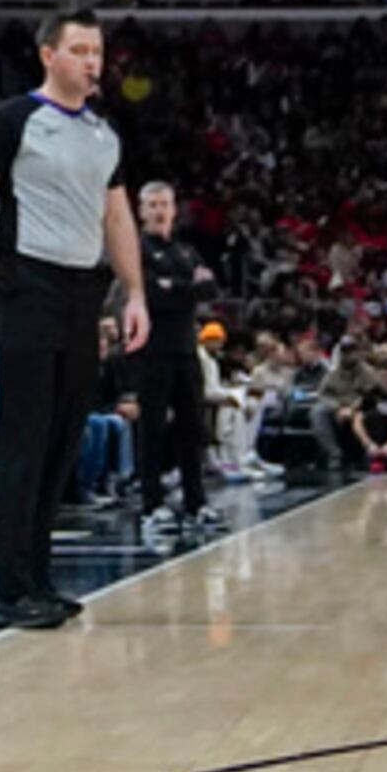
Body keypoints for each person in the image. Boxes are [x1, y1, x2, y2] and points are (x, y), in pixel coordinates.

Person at [0, 10, 148, 631]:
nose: (92, 62)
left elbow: (118, 219)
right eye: (80, 50)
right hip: (27, 285)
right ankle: (8, 585)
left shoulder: (104, 134)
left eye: (98, 52)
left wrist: (134, 292)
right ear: (47, 55)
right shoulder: (11, 121)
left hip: (86, 294)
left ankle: (37, 574)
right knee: (23, 437)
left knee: (64, 436)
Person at [126, 181, 218, 541]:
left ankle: (196, 503)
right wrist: (187, 288)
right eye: (152, 204)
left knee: (191, 428)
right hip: (152, 351)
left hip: (186, 350)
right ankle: (152, 504)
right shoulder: (137, 250)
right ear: (142, 210)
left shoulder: (184, 250)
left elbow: (209, 290)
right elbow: (152, 295)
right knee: (152, 429)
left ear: (174, 208)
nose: (160, 209)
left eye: (165, 203)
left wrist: (175, 287)